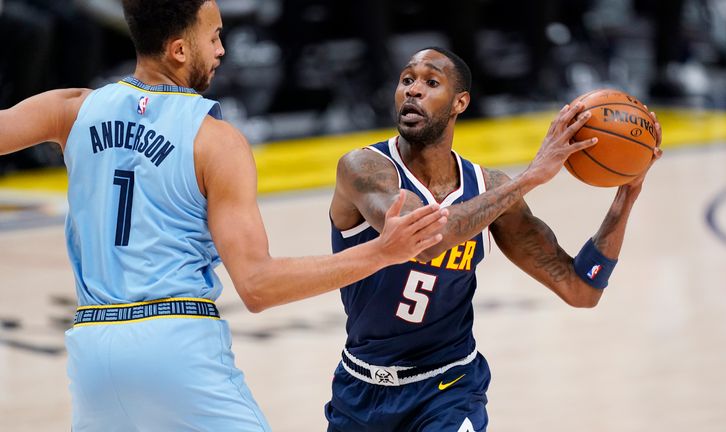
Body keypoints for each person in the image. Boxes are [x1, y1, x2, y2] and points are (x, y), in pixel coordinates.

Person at [0, 1, 449, 430]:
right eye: (214, 37)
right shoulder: (214, 140)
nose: (221, 50)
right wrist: (383, 252)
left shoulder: (72, 110)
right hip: (175, 344)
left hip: (92, 350)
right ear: (179, 50)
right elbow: (258, 285)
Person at [326, 47, 662, 431]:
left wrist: (626, 194)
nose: (413, 91)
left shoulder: (488, 188)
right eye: (407, 80)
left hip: (448, 389)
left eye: (430, 82)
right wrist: (529, 178)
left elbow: (580, 289)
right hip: (360, 389)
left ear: (460, 102)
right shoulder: (363, 168)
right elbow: (425, 238)